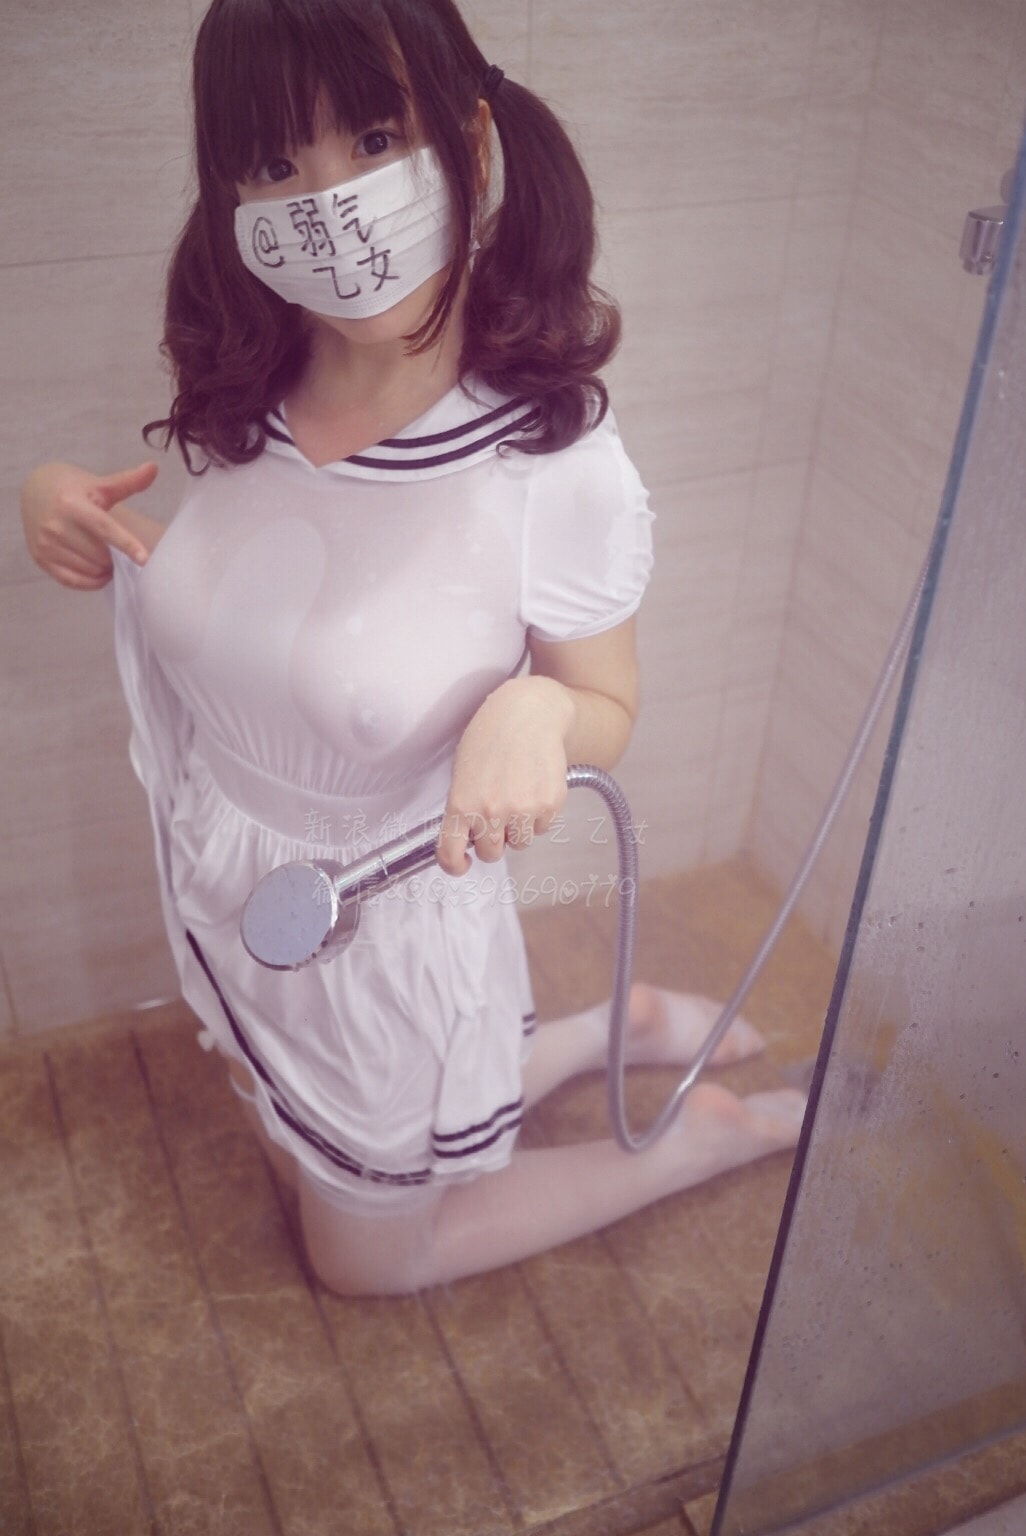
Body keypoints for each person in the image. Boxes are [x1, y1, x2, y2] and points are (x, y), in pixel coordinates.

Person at [21, 0, 805, 1297]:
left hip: (379, 933)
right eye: (275, 163)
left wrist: (536, 711)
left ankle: (699, 1139)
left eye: (375, 139)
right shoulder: (254, 380)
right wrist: (69, 505)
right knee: (297, 1138)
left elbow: (602, 700)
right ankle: (607, 1032)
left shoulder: (548, 463)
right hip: (231, 880)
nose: (329, 202)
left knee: (362, 1263)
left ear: (471, 142)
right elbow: (277, 605)